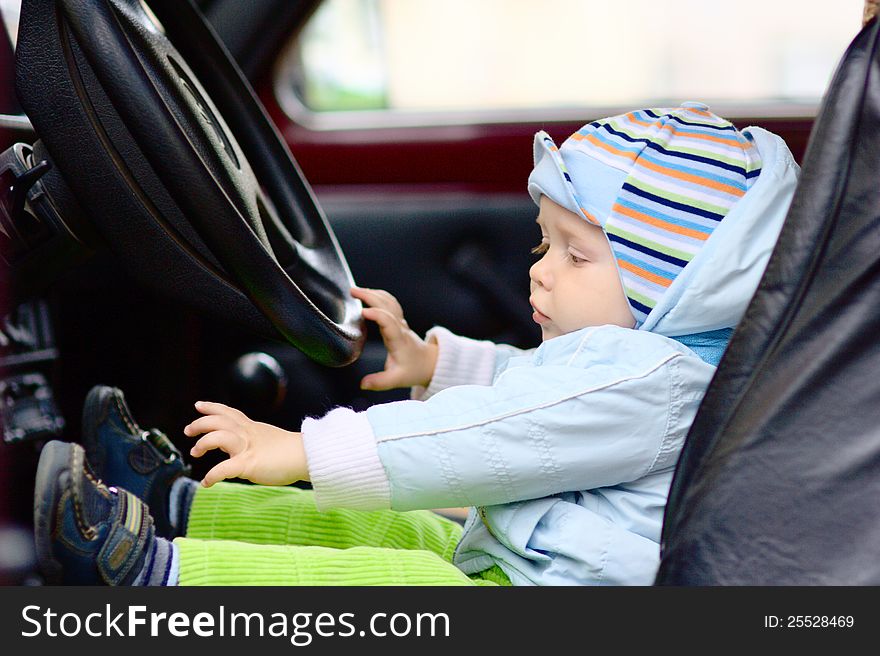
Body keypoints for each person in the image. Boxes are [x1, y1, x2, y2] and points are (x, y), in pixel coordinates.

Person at [33, 102, 800, 586]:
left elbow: (495, 432)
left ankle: (158, 576)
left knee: (390, 584)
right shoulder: (654, 368)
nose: (540, 273)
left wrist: (305, 451)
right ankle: (183, 510)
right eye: (543, 245)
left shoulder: (649, 381)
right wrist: (439, 364)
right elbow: (536, 392)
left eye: (575, 255)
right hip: (530, 562)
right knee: (401, 529)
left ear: (671, 284)